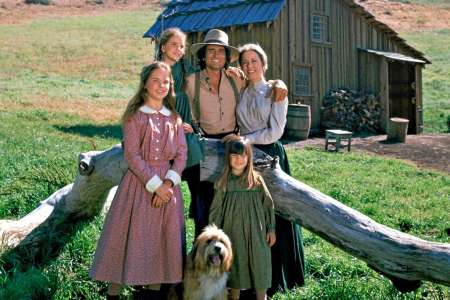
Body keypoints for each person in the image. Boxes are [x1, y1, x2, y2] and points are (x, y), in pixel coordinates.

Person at [89, 62, 187, 300]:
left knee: (159, 246)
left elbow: (181, 154)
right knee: (126, 241)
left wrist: (168, 185)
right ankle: (114, 294)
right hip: (138, 188)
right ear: (145, 84)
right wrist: (155, 186)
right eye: (156, 80)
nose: (161, 85)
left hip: (168, 190)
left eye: (166, 81)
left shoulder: (174, 118)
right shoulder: (134, 117)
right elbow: (132, 156)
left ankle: (152, 294)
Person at [185, 28, 288, 238]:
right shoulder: (190, 82)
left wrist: (280, 83)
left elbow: (261, 80)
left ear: (226, 58)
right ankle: (201, 260)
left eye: (221, 51)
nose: (216, 55)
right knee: (203, 206)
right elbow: (177, 107)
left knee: (232, 203)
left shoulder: (236, 79)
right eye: (211, 51)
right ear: (203, 55)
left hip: (235, 146)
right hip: (205, 145)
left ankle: (232, 258)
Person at [224, 43, 305, 296]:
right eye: (245, 62)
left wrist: (247, 140)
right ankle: (250, 277)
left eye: (254, 61)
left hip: (269, 154)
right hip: (245, 155)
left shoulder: (275, 90)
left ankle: (278, 277)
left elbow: (276, 131)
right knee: (251, 214)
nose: (249, 66)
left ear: (264, 63)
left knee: (273, 213)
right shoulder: (242, 89)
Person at [209, 139, 276, 300]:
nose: (239, 160)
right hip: (233, 232)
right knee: (236, 265)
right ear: (228, 158)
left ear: (249, 158)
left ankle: (262, 296)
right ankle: (234, 296)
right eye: (234, 156)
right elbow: (216, 210)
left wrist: (271, 228)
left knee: (260, 262)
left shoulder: (256, 180)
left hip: (257, 233)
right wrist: (215, 235)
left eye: (243, 156)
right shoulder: (223, 182)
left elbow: (268, 205)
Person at [156, 27, 204, 237]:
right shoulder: (155, 72)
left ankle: (200, 248)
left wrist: (192, 126)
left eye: (181, 46)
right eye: (173, 44)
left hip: (186, 136)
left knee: (201, 192)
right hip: (162, 136)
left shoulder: (185, 71)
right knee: (166, 196)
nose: (178, 49)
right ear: (163, 46)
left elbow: (209, 77)